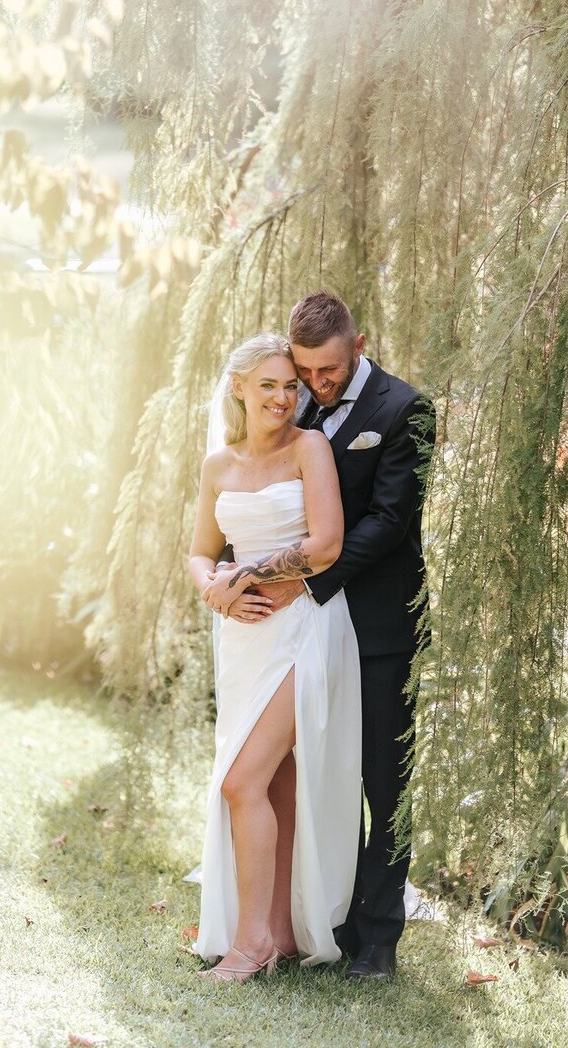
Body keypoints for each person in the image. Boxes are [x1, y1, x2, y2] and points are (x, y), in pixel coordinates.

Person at [252, 293, 435, 981]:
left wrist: (304, 580)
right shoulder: (293, 403)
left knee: (384, 784)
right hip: (304, 631)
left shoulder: (405, 409)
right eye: (306, 372)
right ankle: (312, 916)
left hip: (381, 627)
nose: (316, 386)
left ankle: (378, 939)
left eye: (328, 371)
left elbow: (389, 524)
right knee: (311, 772)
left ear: (359, 345)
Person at [189, 332, 361, 980]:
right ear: (238, 387)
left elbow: (326, 543)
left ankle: (251, 944)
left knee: (241, 781)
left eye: (291, 386)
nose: (284, 398)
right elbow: (201, 549)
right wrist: (214, 588)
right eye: (269, 385)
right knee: (274, 783)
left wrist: (251, 573)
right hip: (241, 636)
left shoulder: (308, 449)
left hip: (303, 627)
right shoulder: (218, 466)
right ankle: (283, 934)